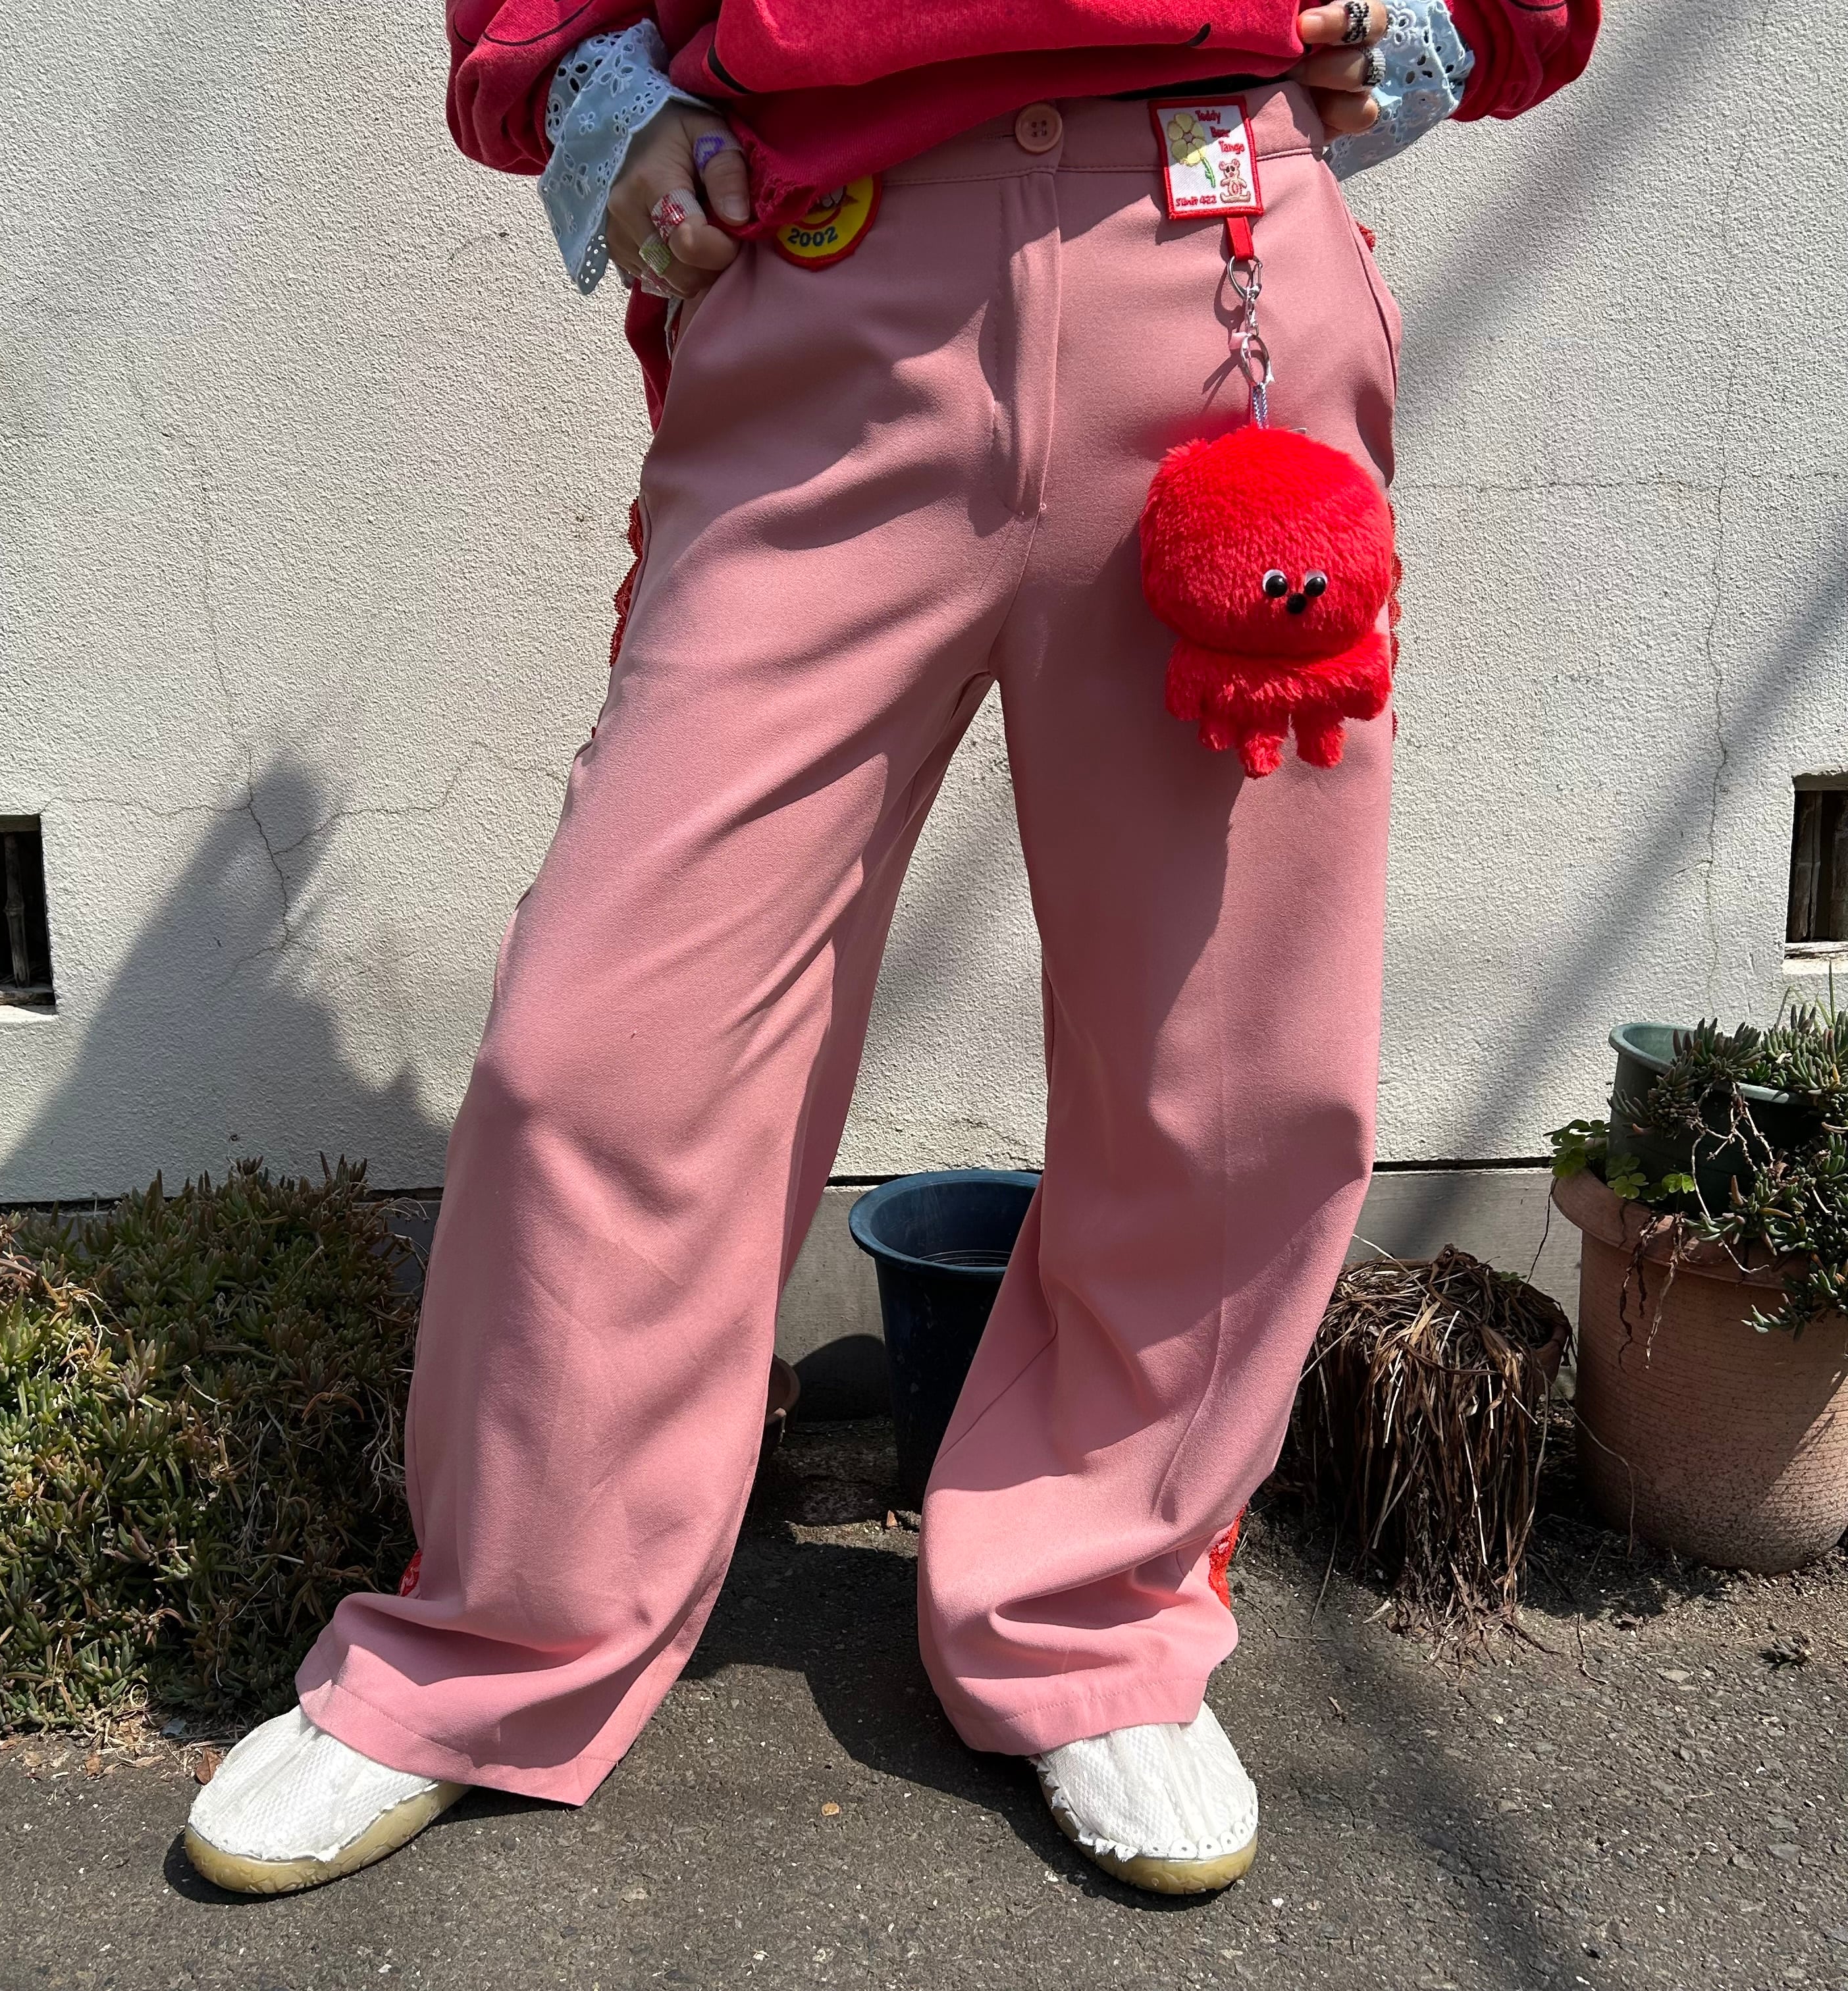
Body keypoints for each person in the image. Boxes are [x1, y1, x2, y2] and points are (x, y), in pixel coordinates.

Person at [185, 0, 1597, 1898]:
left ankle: (1094, 1617)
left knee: (1231, 1054)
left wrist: (1451, 23)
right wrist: (598, 91)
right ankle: (499, 1637)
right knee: (606, 1039)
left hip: (1222, 281)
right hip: (832, 270)